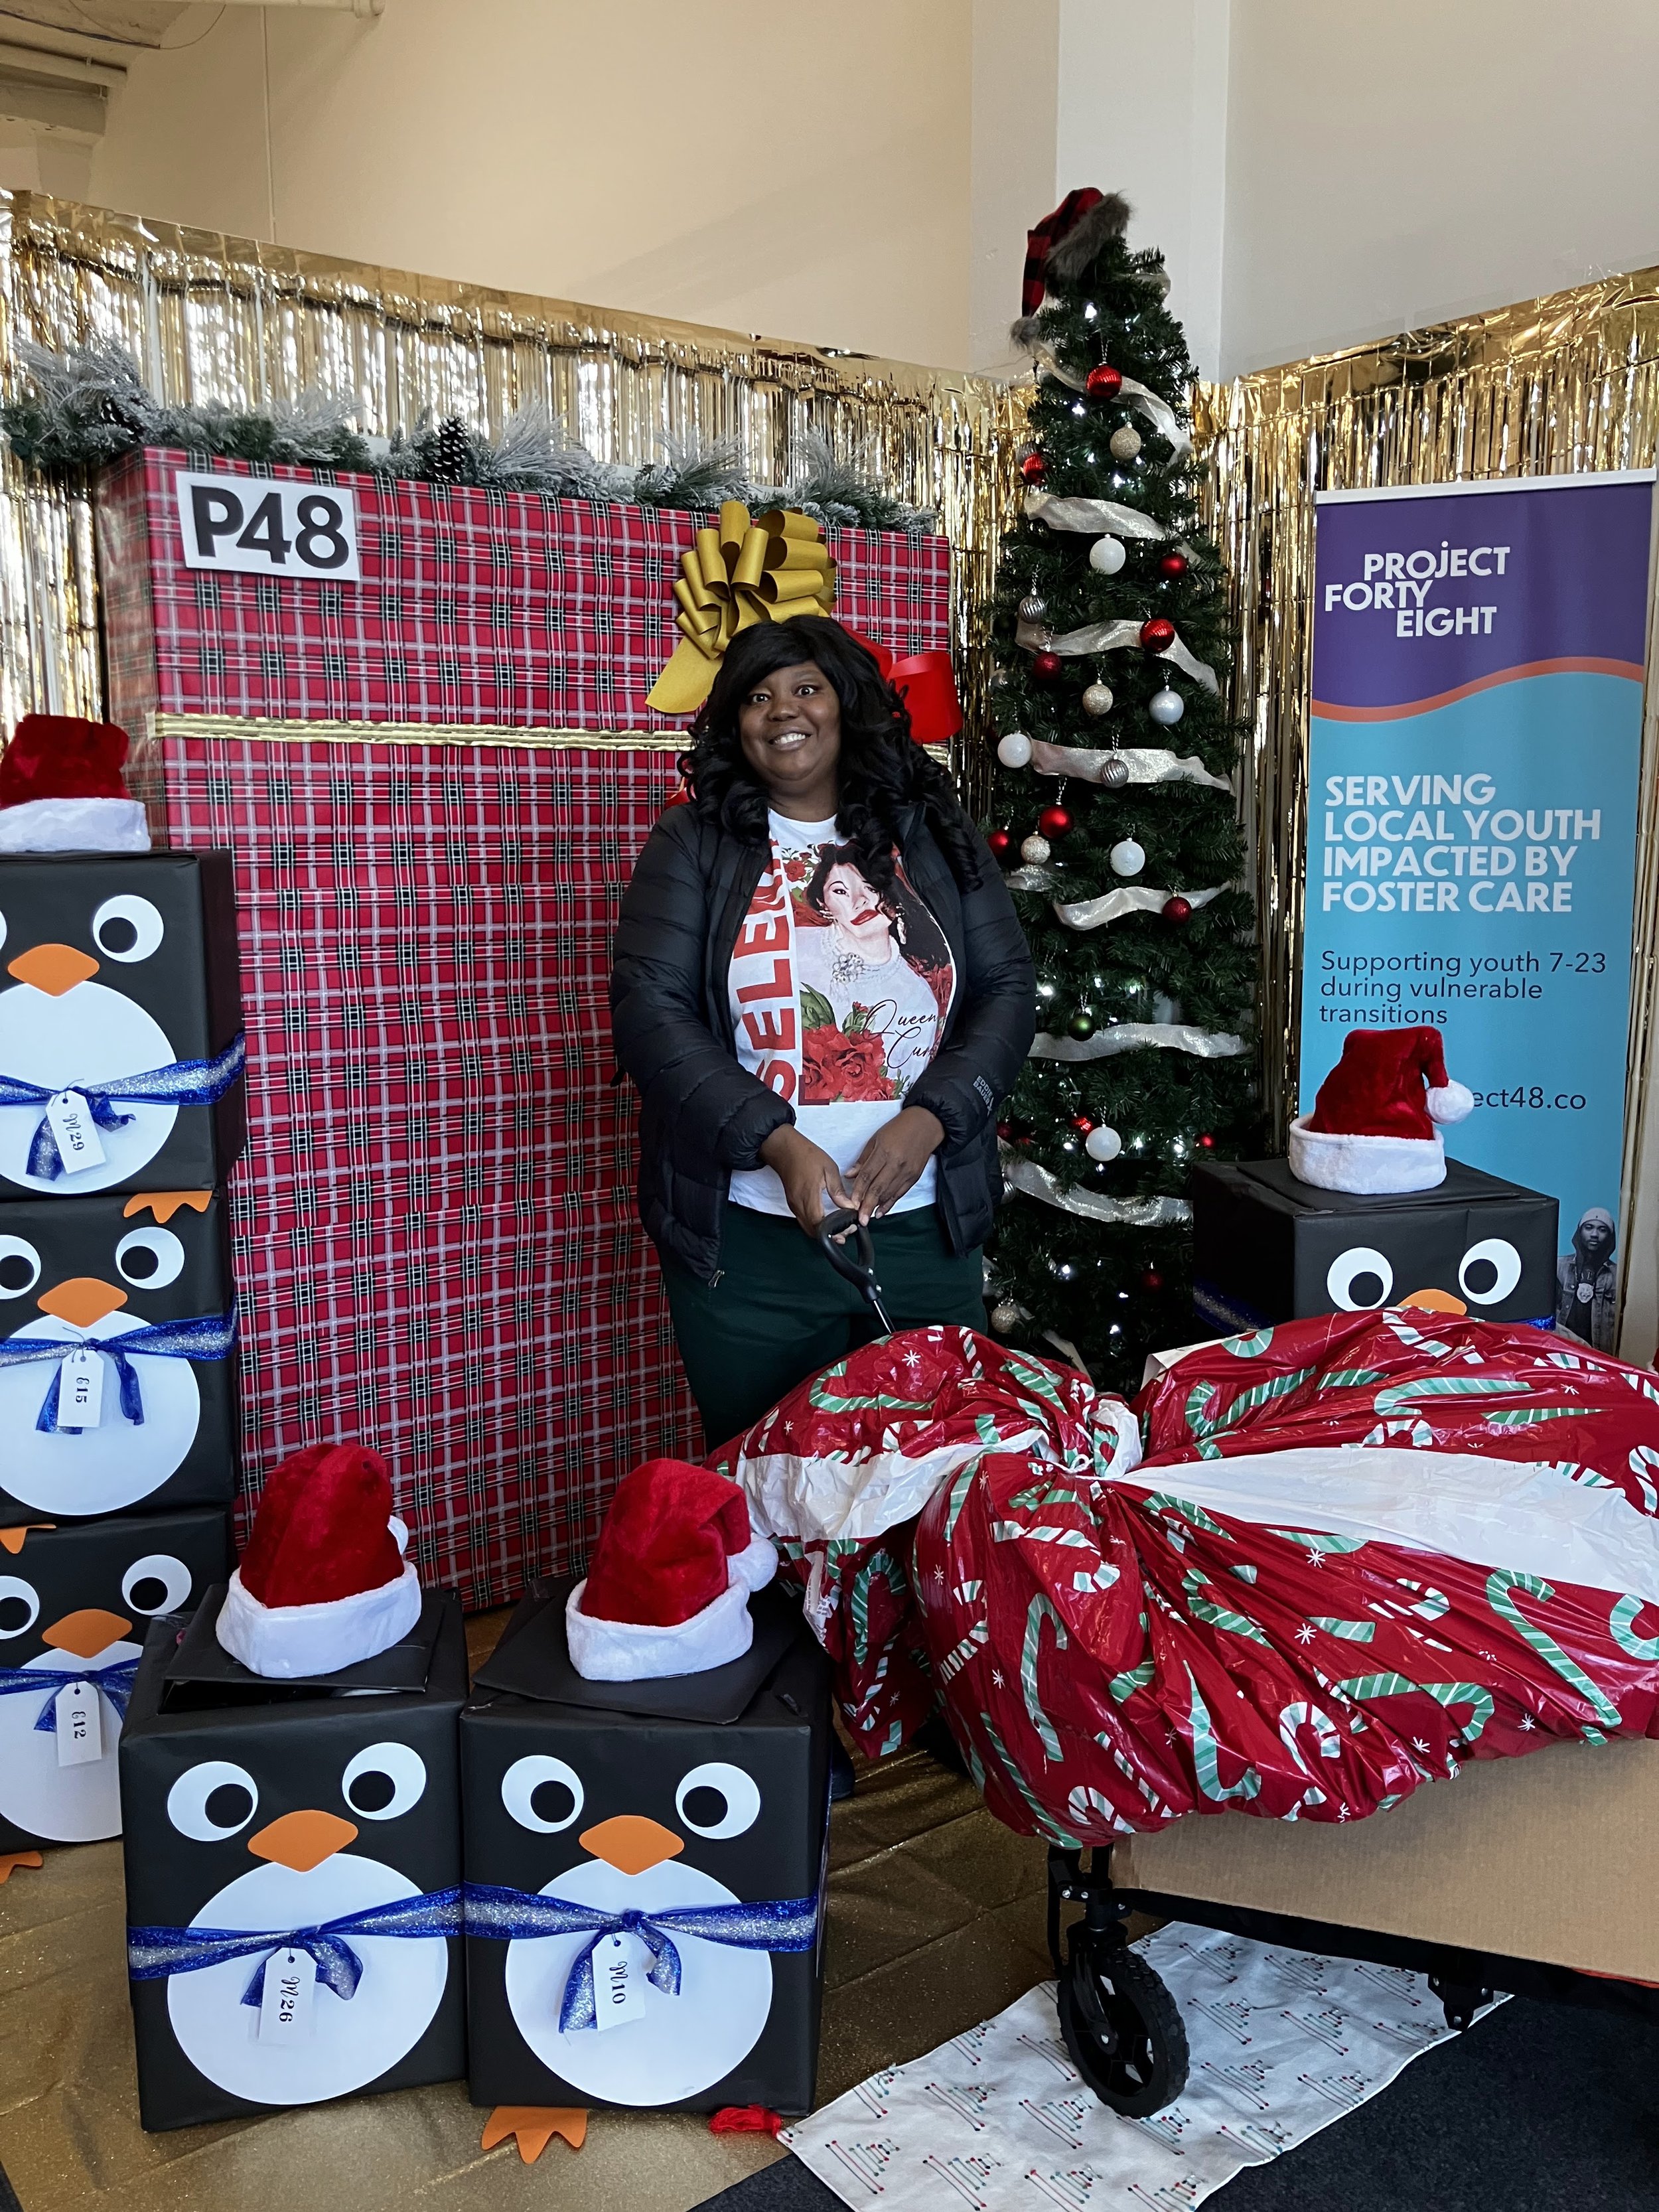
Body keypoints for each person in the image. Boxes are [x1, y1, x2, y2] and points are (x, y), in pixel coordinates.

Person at [611, 615, 1035, 1453]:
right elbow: (649, 1010)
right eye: (758, 697)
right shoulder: (692, 843)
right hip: (751, 1245)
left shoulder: (930, 834)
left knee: (940, 1479)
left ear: (847, 705)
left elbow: (1007, 988)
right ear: (733, 721)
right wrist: (776, 1144)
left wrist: (931, 1120)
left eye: (805, 689)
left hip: (922, 1226)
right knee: (769, 1486)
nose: (782, 713)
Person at [1555, 1207, 1617, 1349]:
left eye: (1602, 1230)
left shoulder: (1617, 1275)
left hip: (1600, 1355)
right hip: (1561, 1350)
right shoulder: (1558, 1267)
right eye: (1589, 1228)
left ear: (1610, 1236)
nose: (1594, 1234)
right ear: (1580, 1231)